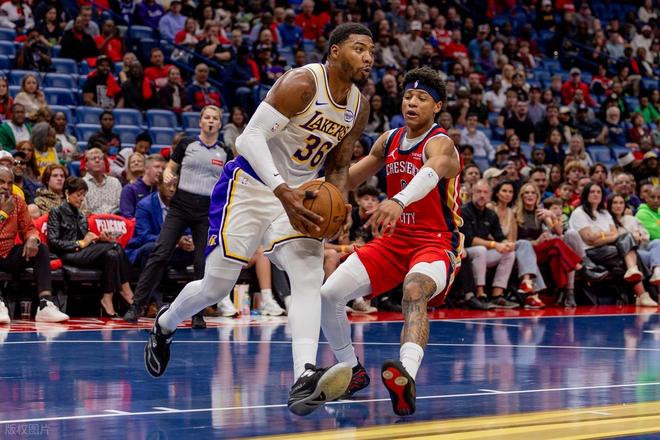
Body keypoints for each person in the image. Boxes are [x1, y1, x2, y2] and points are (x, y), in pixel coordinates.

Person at [143, 23, 373, 417]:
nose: (367, 57)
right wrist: (281, 189)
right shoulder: (303, 83)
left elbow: (338, 164)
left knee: (307, 275)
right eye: (359, 48)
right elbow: (247, 139)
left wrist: (340, 202)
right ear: (335, 51)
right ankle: (166, 323)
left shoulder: (359, 107)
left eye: (371, 51)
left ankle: (303, 374)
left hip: (300, 194)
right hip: (249, 186)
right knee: (217, 285)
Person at [319, 67, 461, 416]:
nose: (412, 103)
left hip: (436, 241)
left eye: (422, 98)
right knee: (329, 294)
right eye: (408, 96)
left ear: (437, 106)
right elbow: (350, 179)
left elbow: (430, 173)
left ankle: (406, 376)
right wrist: (312, 190)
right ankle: (351, 370)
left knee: (413, 291)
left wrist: (398, 200)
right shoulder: (389, 140)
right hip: (394, 241)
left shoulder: (441, 143)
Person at [124, 106, 233, 327]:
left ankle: (198, 314)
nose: (211, 121)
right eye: (207, 117)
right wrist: (167, 176)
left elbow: (228, 181)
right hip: (181, 206)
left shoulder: (224, 151)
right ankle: (136, 305)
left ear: (220, 124)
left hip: (206, 211)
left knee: (202, 262)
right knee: (160, 253)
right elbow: (170, 168)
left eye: (215, 118)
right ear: (200, 122)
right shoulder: (186, 144)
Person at [48, 177, 135, 317]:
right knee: (115, 246)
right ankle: (126, 290)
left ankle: (107, 298)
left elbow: (86, 240)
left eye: (83, 195)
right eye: (78, 195)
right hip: (67, 254)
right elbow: (53, 242)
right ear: (67, 193)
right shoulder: (56, 212)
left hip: (82, 252)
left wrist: (99, 239)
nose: (82, 198)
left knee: (112, 254)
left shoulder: (81, 215)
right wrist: (80, 243)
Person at [0, 166, 67, 323]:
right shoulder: (8, 206)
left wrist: (32, 238)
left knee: (41, 248)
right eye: (1, 182)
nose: (6, 187)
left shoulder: (17, 201)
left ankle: (45, 304)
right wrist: (3, 213)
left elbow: (29, 228)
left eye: (9, 183)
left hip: (9, 254)